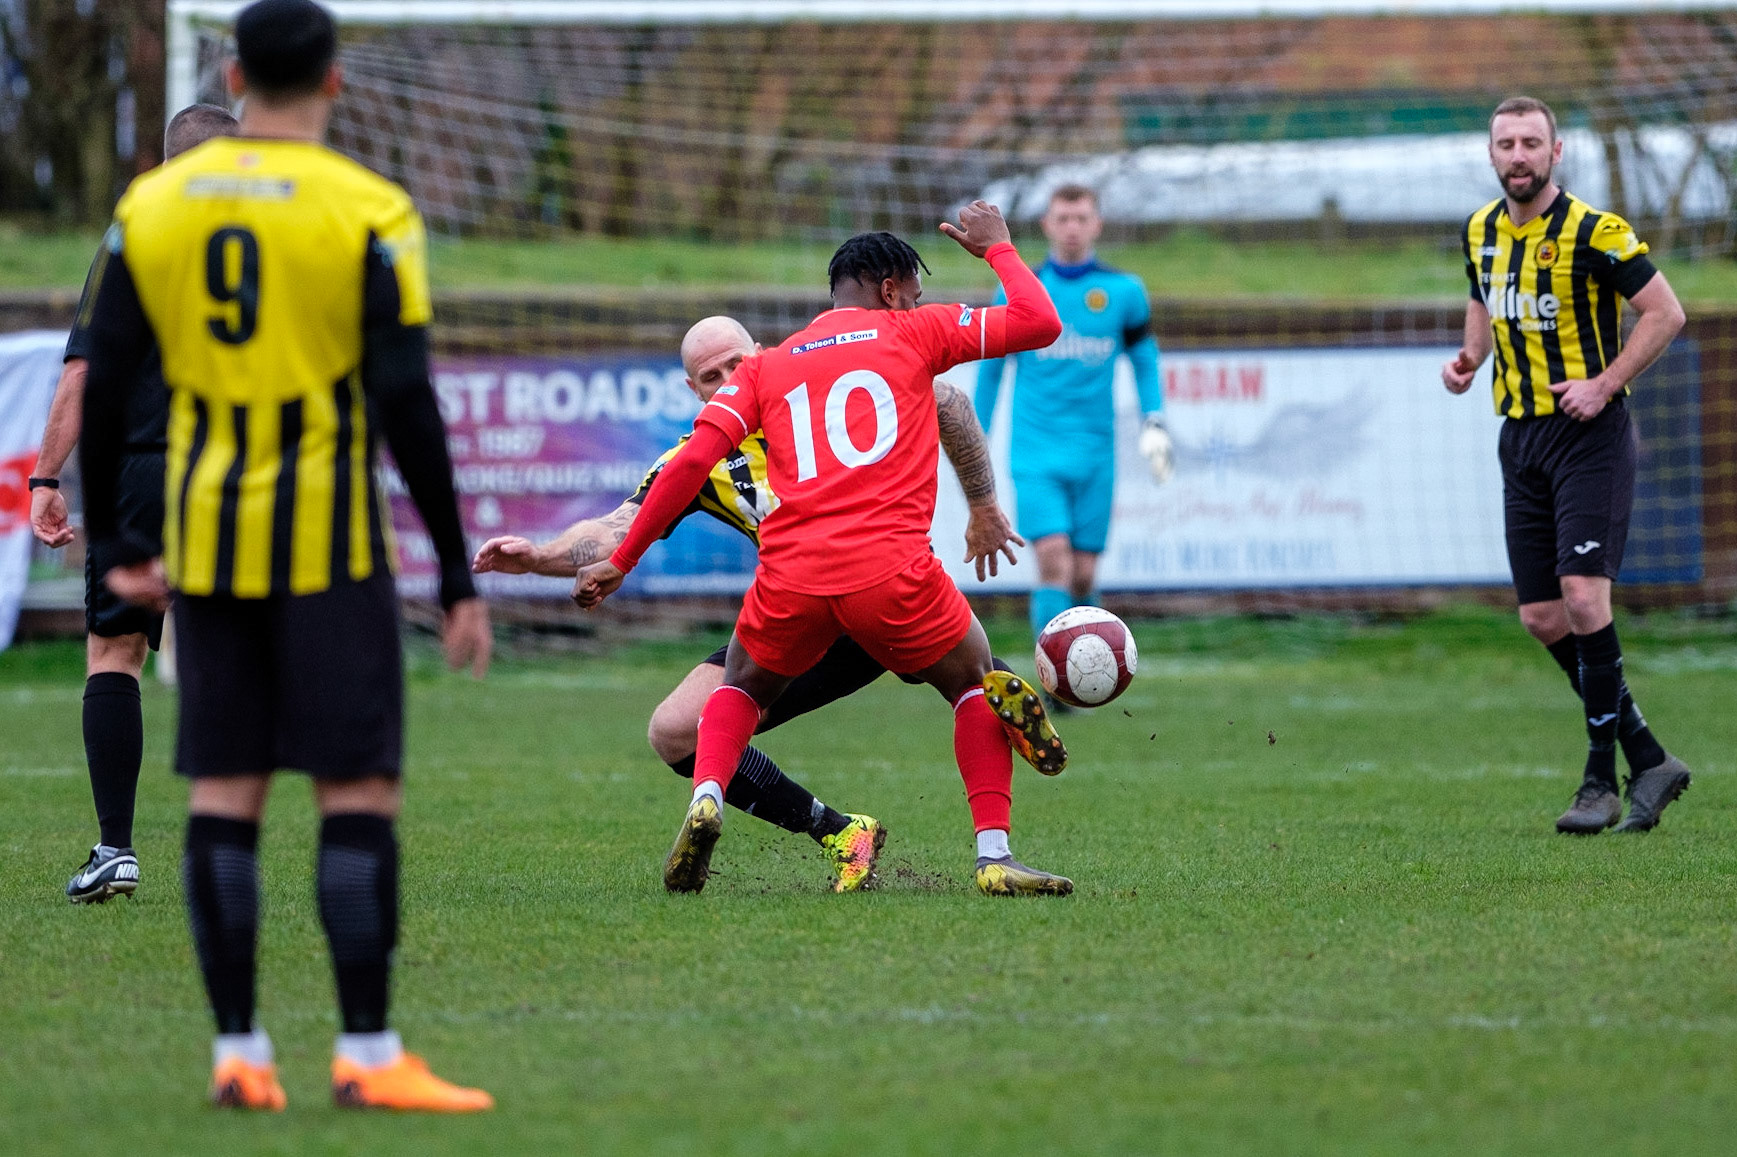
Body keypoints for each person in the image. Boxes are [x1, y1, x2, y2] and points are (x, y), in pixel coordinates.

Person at [79, 0, 493, 1112]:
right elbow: (406, 400)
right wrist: (456, 573)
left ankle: (240, 1052)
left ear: (231, 70)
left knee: (225, 794)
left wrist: (120, 539)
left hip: (204, 545)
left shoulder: (152, 205)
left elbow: (107, 372)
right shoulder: (367, 207)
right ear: (338, 82)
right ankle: (367, 1050)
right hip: (328, 546)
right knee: (355, 792)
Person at [576, 207, 1073, 898]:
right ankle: (993, 851)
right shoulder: (916, 330)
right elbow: (1039, 322)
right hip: (890, 569)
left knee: (740, 692)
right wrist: (1000, 251)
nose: (921, 302)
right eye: (916, 291)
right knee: (973, 679)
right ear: (892, 289)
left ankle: (709, 792)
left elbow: (690, 463)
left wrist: (620, 560)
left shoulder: (767, 366)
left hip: (791, 577)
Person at [473, 315, 1025, 893]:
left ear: (759, 355)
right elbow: (618, 525)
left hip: (887, 587)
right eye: (711, 375)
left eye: (736, 363)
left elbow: (948, 401)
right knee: (675, 732)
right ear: (694, 391)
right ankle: (841, 832)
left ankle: (995, 686)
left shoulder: (818, 387)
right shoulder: (699, 457)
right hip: (801, 617)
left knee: (953, 674)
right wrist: (538, 555)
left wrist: (983, 506)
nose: (727, 378)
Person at [1442, 96, 1690, 835]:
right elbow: (1481, 296)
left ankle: (1597, 780)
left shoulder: (1593, 231)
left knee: (1584, 598)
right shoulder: (1481, 229)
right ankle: (1646, 753)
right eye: (1504, 143)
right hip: (1519, 438)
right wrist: (1469, 358)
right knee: (1541, 614)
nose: (1516, 154)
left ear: (1556, 153)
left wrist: (1604, 382)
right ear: (1490, 155)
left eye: (1530, 142)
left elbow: (1665, 312)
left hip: (1589, 435)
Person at [30, 103, 238, 904]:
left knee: (116, 654)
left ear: (162, 164)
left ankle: (115, 847)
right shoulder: (267, 247)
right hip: (240, 476)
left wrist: (46, 477)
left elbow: (83, 373)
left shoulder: (133, 237)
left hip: (146, 472)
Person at [972, 184, 1171, 711]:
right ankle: (1056, 682)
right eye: (1063, 217)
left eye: (1082, 217)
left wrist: (1155, 420)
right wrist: (979, 437)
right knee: (1054, 562)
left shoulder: (1124, 292)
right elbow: (992, 370)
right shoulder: (1022, 289)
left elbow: (1145, 360)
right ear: (1047, 225)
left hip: (1096, 455)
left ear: (1097, 224)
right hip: (1035, 454)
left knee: (1083, 574)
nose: (1073, 227)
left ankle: (1092, 671)